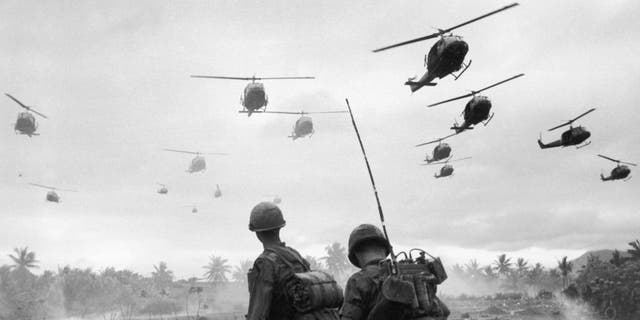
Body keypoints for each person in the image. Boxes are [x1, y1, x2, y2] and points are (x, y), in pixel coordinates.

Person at [341, 224, 449, 320]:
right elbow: (444, 312)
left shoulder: (357, 280)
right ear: (384, 249)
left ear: (356, 254)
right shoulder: (410, 274)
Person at [245, 201, 311, 320]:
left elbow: (258, 313)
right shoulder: (295, 255)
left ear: (257, 233)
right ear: (279, 228)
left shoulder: (265, 262)